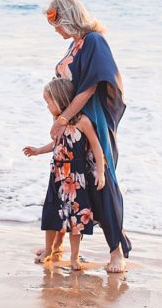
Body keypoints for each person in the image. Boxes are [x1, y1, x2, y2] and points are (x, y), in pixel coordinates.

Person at [44, 0, 131, 272]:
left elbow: (91, 86)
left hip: (89, 122)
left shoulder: (93, 40)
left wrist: (65, 118)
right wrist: (61, 119)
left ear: (68, 18)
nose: (55, 29)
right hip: (70, 124)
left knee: (99, 182)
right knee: (66, 183)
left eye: (56, 23)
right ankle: (54, 247)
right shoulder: (74, 45)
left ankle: (116, 251)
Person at [24, 78, 107, 270]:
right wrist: (38, 150)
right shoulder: (57, 122)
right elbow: (58, 145)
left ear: (60, 99)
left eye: (48, 102)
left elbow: (95, 145)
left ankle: (74, 258)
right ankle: (49, 250)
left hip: (77, 177)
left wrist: (100, 172)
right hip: (57, 175)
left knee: (77, 218)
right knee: (52, 214)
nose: (47, 107)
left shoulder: (82, 121)